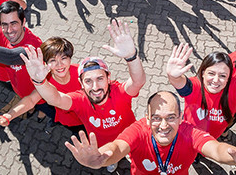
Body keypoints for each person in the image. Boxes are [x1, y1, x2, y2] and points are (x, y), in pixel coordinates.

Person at [21, 20, 145, 172]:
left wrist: (131, 57)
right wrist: (39, 81)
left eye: (100, 78)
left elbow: (138, 82)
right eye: (88, 81)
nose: (95, 87)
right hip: (103, 145)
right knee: (109, 158)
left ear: (108, 78)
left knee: (138, 157)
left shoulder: (118, 91)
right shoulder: (80, 99)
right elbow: (56, 99)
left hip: (132, 137)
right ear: (81, 82)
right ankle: (113, 161)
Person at [64, 91, 236, 174]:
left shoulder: (190, 133)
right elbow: (118, 147)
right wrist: (100, 158)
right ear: (147, 118)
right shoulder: (138, 130)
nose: (163, 125)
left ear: (181, 118)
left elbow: (215, 148)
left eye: (170, 117)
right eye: (156, 118)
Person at [0, 35, 85, 134]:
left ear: (70, 58)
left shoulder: (83, 73)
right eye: (53, 60)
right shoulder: (46, 82)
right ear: (46, 63)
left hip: (87, 116)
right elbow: (30, 100)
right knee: (75, 130)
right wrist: (9, 115)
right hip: (67, 118)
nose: (59, 65)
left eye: (63, 58)